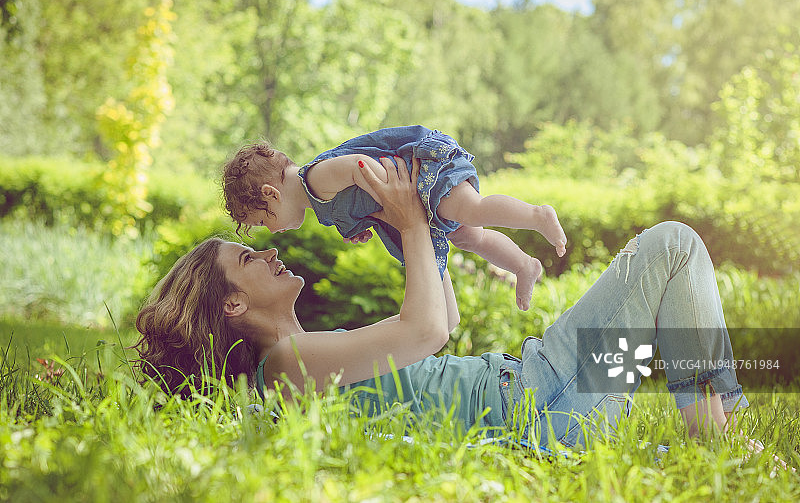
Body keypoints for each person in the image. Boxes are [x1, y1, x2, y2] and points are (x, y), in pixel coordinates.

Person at [136, 156, 777, 459]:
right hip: (541, 408)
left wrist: (430, 236)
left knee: (667, 278)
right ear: (236, 305)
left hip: (537, 382)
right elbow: (428, 329)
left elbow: (440, 324)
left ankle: (715, 429)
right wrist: (413, 222)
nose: (268, 254)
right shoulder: (286, 367)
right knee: (672, 249)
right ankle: (715, 438)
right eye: (247, 260)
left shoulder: (306, 356)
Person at [220, 125, 567, 311]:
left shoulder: (315, 178)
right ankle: (523, 266)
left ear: (271, 194)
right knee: (469, 237)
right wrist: (358, 225)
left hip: (423, 175)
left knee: (472, 210)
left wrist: (395, 200)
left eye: (263, 222)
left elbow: (362, 167)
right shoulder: (319, 203)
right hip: (419, 201)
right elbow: (359, 202)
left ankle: (537, 215)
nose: (272, 230)